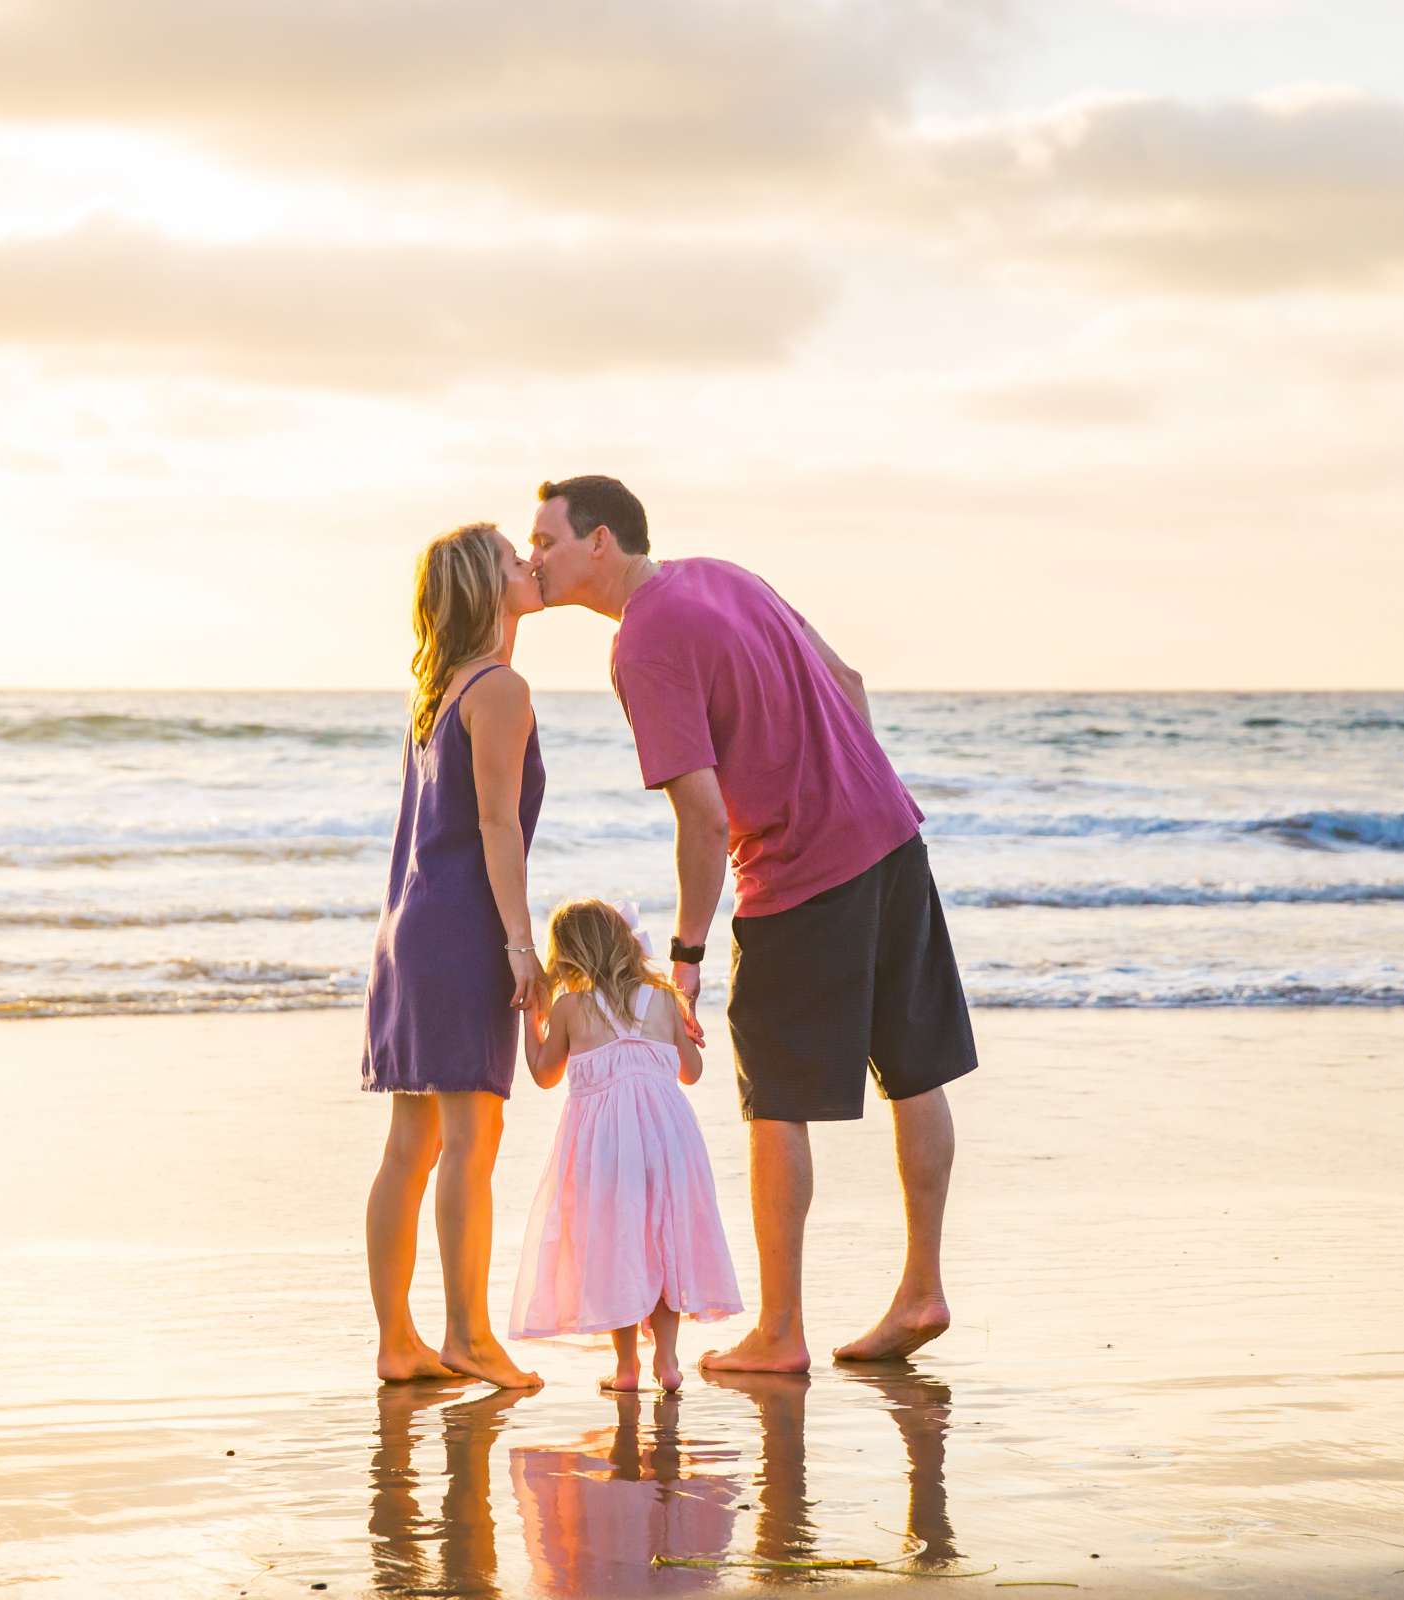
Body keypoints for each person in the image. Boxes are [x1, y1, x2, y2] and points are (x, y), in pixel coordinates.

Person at [528, 474, 977, 1373]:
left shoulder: (643, 644)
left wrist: (686, 955)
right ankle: (922, 1288)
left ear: (601, 542)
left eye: (546, 541)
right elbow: (847, 683)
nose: (535, 558)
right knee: (915, 1067)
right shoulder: (727, 575)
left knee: (775, 1099)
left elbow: (698, 818)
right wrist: (847, 788)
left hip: (801, 875)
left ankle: (780, 1332)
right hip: (891, 834)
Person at [360, 522, 547, 1390]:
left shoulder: (436, 688)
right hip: (461, 933)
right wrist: (522, 948)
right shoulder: (500, 688)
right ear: (485, 586)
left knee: (414, 1144)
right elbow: (497, 828)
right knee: (472, 1137)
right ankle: (467, 1336)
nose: (529, 566)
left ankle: (401, 1343)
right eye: (514, 559)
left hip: (410, 933)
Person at [510, 898, 743, 1392]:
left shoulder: (571, 1007)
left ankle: (626, 1369)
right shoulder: (662, 998)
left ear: (568, 955)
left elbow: (544, 1075)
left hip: (607, 1145)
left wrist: (532, 1025)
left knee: (619, 1244)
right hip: (669, 1138)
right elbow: (692, 1074)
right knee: (663, 1241)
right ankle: (668, 1362)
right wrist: (682, 1033)